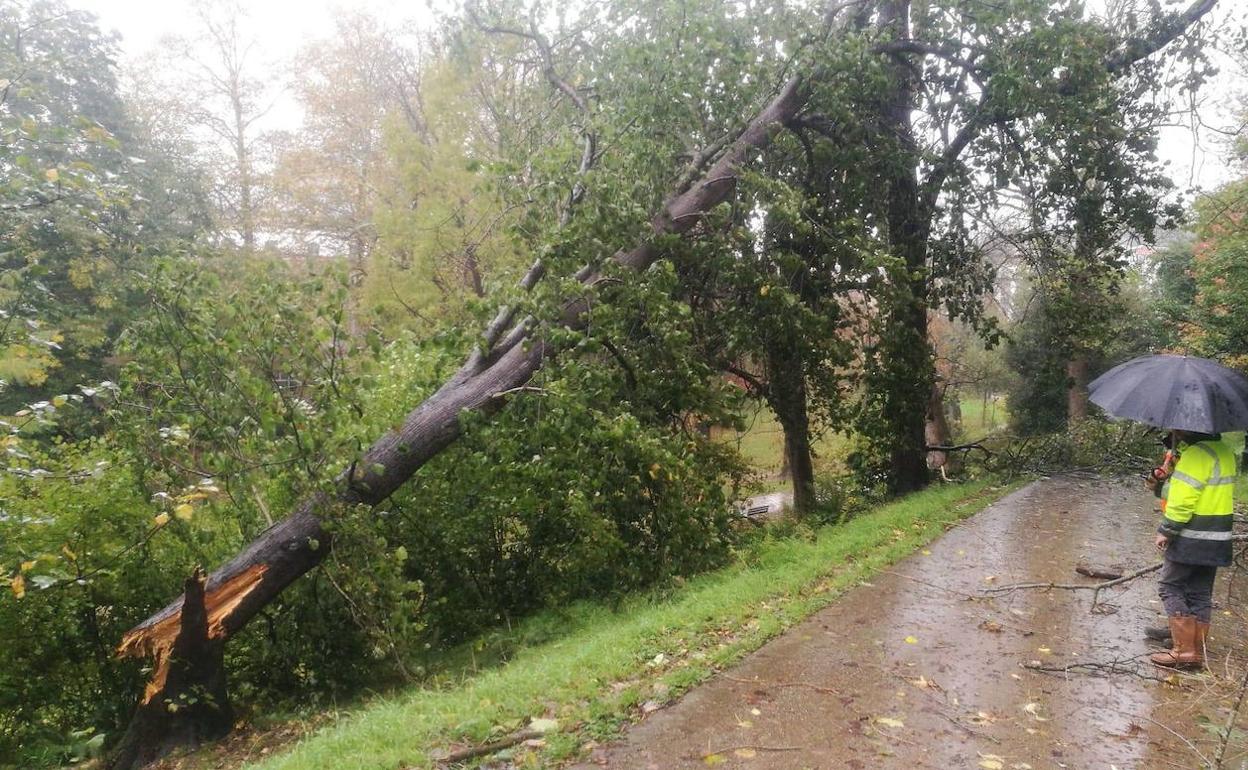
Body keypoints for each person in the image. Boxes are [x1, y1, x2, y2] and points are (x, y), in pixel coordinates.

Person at [1147, 429, 1237, 669]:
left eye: (1177, 427)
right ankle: (1196, 647)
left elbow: (1183, 500)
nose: (1174, 431)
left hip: (1192, 535)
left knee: (1170, 585)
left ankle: (1184, 649)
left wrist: (1167, 530)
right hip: (1217, 536)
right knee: (1199, 590)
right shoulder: (1224, 452)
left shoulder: (1196, 455)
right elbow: (1199, 491)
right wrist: (1162, 485)